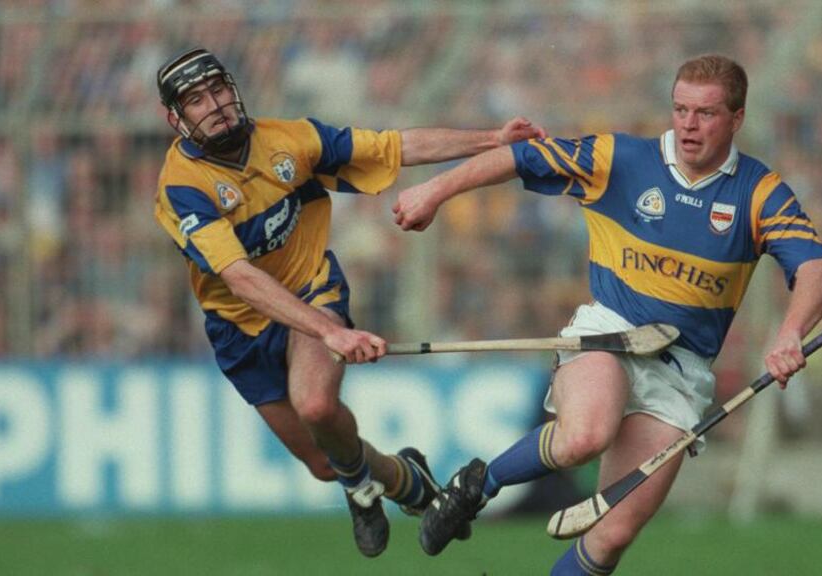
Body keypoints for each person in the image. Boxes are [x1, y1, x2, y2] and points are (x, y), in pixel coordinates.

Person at [393, 54, 822, 574]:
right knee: (585, 434)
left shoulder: (759, 193)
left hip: (682, 369)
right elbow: (522, 157)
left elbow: (818, 271)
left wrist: (789, 333)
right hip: (610, 333)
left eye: (706, 113)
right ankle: (474, 487)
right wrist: (435, 190)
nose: (689, 126)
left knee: (612, 535)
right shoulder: (620, 158)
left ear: (737, 118)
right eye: (680, 109)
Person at [152, 47, 545, 558]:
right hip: (239, 326)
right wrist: (331, 333)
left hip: (312, 290)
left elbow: (392, 147)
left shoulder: (290, 139)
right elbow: (240, 277)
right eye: (198, 100)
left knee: (316, 403)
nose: (217, 105)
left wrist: (491, 139)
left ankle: (361, 493)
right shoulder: (181, 188)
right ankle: (409, 484)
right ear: (175, 118)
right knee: (324, 462)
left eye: (220, 89)